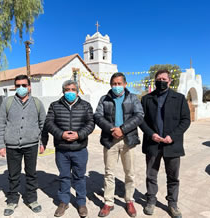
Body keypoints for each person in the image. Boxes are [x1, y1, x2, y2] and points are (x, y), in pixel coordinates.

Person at [140, 70, 190, 218]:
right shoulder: (147, 99)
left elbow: (186, 120)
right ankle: (150, 201)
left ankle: (172, 204)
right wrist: (151, 134)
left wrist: (172, 137)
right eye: (158, 79)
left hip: (171, 144)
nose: (161, 81)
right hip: (152, 143)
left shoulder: (179, 98)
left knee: (173, 176)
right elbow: (141, 120)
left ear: (169, 81)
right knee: (151, 175)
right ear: (155, 81)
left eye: (164, 79)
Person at [0, 74, 48, 216]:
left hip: (31, 145)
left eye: (24, 85)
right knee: (13, 175)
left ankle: (32, 199)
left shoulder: (37, 103)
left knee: (31, 174)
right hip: (12, 146)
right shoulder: (8, 102)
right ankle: (12, 200)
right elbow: (0, 124)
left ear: (29, 87)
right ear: (14, 87)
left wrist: (43, 142)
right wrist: (0, 144)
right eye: (18, 85)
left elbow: (43, 124)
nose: (21, 88)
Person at [94, 72, 144, 217]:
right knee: (109, 173)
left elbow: (139, 115)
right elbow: (98, 116)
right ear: (111, 85)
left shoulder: (133, 98)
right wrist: (112, 130)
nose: (116, 86)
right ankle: (108, 202)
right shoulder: (104, 99)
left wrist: (122, 129)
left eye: (119, 83)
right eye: (114, 84)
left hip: (128, 140)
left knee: (130, 173)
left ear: (125, 84)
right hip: (110, 140)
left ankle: (129, 200)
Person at [43, 80, 95, 217]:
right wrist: (61, 134)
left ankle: (81, 203)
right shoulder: (55, 106)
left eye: (73, 89)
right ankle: (63, 201)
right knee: (64, 177)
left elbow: (90, 123)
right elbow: (49, 123)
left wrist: (79, 135)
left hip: (80, 149)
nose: (70, 92)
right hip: (62, 149)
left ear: (77, 91)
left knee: (79, 177)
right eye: (67, 89)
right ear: (63, 91)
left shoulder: (85, 106)